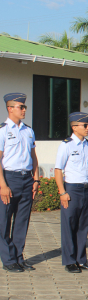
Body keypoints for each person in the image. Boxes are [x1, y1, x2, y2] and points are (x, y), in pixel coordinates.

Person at [0, 93, 39, 273]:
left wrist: (36, 178)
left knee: (22, 221)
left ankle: (18, 257)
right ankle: (8, 260)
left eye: (24, 107)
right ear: (10, 108)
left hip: (26, 179)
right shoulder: (2, 130)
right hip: (9, 178)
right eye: (20, 107)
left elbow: (34, 157)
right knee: (4, 221)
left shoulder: (28, 130)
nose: (24, 110)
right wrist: (3, 185)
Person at [55, 112, 88, 273]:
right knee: (69, 226)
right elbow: (58, 171)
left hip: (85, 189)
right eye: (85, 125)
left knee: (82, 226)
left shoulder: (87, 145)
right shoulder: (66, 145)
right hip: (71, 189)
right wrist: (62, 192)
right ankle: (70, 260)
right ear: (74, 127)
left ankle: (81, 259)